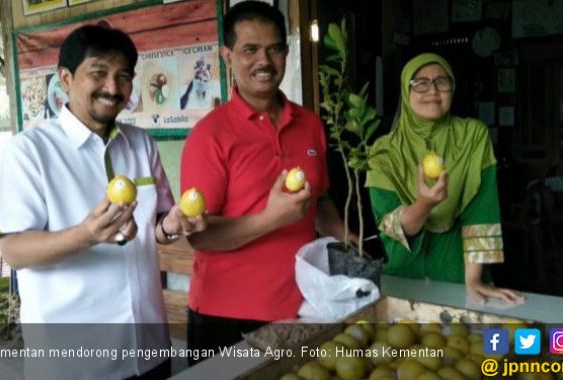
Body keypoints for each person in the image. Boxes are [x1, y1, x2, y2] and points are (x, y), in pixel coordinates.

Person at [0, 25, 205, 379]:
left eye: (123, 76)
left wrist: (171, 226)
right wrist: (86, 234)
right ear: (65, 78)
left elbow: (156, 226)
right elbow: (14, 251)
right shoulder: (29, 152)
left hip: (149, 349)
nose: (113, 87)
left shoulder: (141, 144)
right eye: (98, 73)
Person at [180, 1, 352, 364]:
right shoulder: (210, 135)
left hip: (301, 306)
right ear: (227, 55)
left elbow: (319, 200)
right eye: (250, 50)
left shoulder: (310, 124)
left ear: (286, 52)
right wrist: (272, 218)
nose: (264, 60)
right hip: (225, 315)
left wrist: (346, 239)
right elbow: (201, 235)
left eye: (274, 49)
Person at [366, 53, 522, 304]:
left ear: (453, 88)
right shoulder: (383, 152)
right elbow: (392, 227)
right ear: (406, 91)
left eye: (442, 82)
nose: (433, 90)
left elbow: (482, 211)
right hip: (405, 271)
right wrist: (424, 204)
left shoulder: (473, 136)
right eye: (421, 83)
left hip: (461, 267)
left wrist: (473, 279)